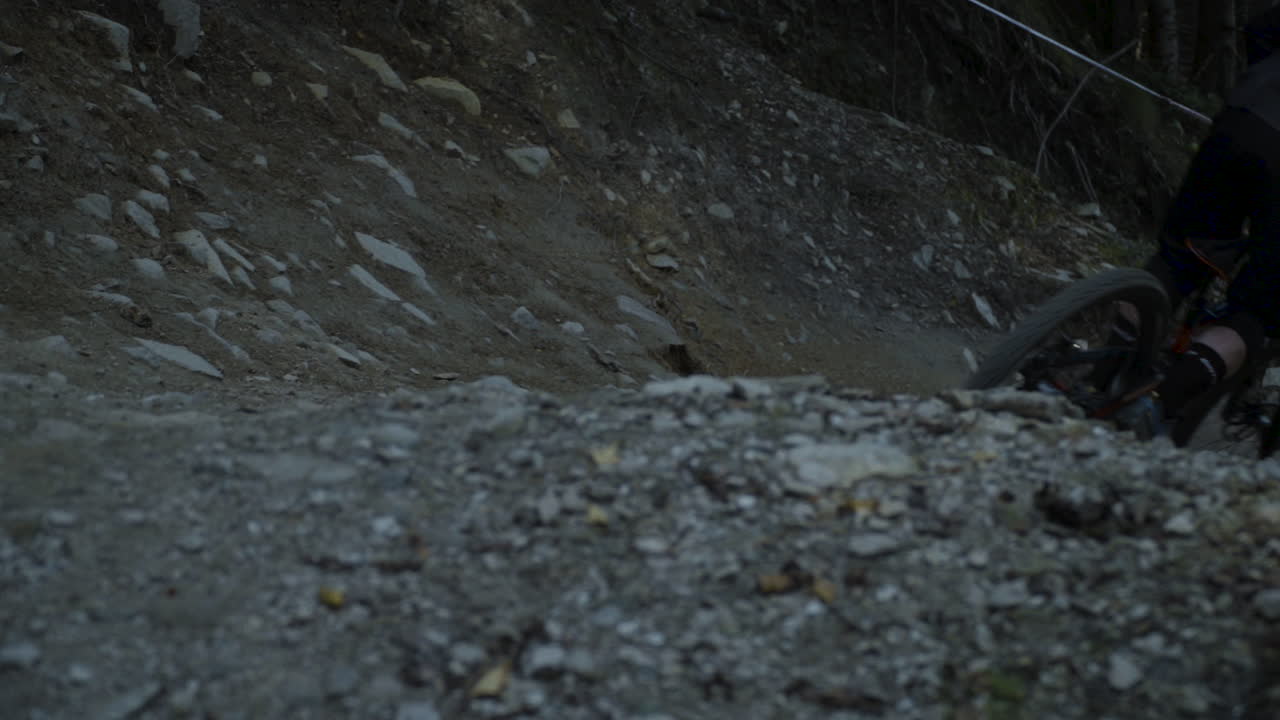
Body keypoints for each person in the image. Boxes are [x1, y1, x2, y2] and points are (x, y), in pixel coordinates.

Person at [1114, 4, 1280, 436]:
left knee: (1179, 258)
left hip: (1244, 117)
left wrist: (1265, 79)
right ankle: (1156, 408)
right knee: (1255, 314)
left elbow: (1260, 27)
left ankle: (1098, 375)